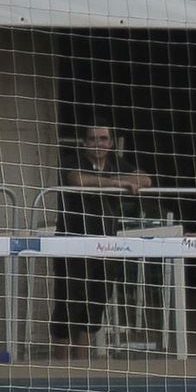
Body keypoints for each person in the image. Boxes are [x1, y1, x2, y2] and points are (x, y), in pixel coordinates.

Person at [49, 122, 152, 361]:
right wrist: (118, 183)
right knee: (67, 307)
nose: (99, 144)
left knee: (93, 308)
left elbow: (145, 179)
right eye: (93, 139)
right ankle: (58, 371)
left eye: (104, 138)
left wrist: (119, 179)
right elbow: (77, 180)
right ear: (85, 143)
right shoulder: (72, 159)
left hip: (105, 247)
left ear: (111, 142)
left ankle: (82, 368)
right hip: (72, 244)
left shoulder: (116, 162)